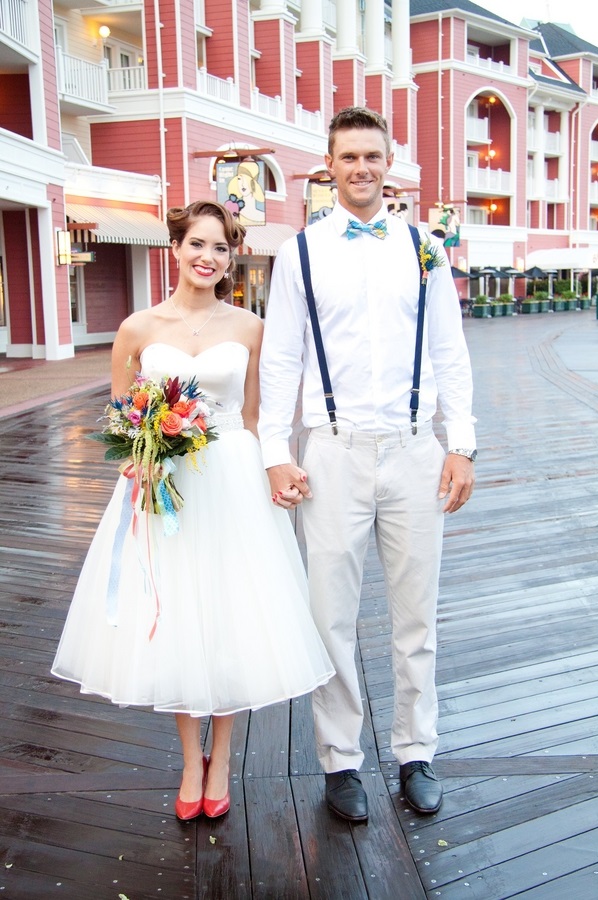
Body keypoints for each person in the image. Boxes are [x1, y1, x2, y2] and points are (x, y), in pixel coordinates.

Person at [52, 200, 333, 822]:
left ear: (231, 257)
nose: (208, 258)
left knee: (230, 612)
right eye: (197, 244)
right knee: (174, 609)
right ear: (174, 248)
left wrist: (274, 470)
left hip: (231, 477)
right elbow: (122, 417)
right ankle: (188, 759)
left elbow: (258, 417)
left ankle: (223, 755)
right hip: (166, 485)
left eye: (221, 248)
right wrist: (138, 461)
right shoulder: (138, 328)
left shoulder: (251, 328)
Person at [258, 107, 476, 822]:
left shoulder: (424, 247)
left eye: (373, 157)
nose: (361, 169)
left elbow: (449, 351)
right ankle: (341, 762)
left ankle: (417, 753)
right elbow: (283, 356)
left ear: (390, 165)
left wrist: (461, 444)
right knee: (331, 619)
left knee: (417, 617)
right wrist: (274, 452)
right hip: (332, 454)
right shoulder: (302, 252)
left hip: (416, 449)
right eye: (349, 157)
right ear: (330, 167)